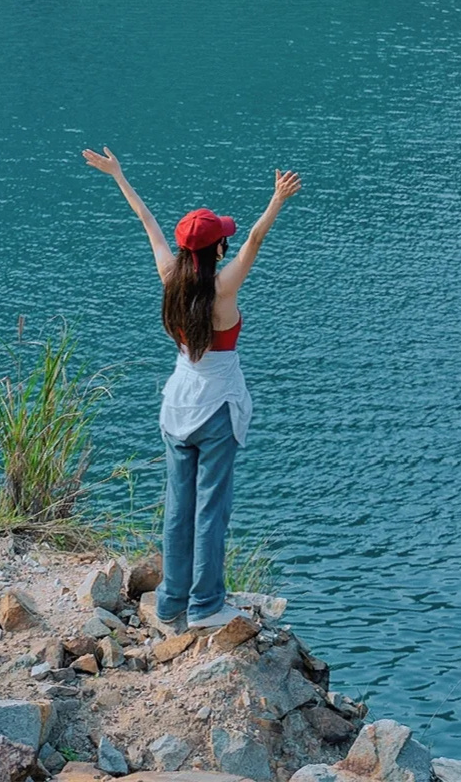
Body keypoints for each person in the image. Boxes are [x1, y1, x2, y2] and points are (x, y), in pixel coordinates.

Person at [82, 147, 301, 631]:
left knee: (178, 508)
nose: (230, 241)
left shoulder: (170, 279)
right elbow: (258, 241)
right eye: (224, 239)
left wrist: (119, 174)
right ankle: (206, 607)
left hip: (176, 406)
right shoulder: (223, 290)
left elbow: (147, 222)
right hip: (217, 409)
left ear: (185, 252)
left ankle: (170, 602)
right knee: (211, 509)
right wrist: (277, 199)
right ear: (217, 251)